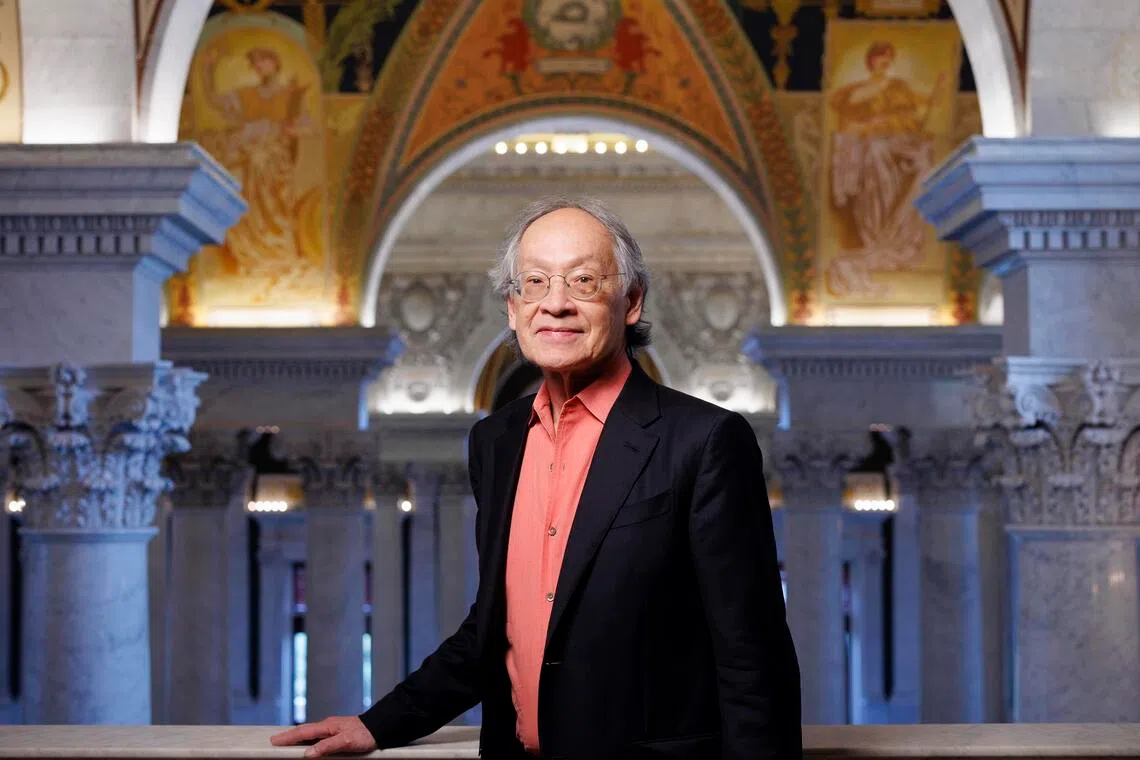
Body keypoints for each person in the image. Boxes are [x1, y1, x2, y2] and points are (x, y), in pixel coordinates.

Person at [270, 197, 801, 759]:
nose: (556, 304)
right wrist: (379, 724)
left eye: (584, 281)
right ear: (512, 306)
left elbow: (752, 659)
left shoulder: (705, 440)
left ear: (632, 301)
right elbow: (494, 629)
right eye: (535, 282)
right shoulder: (495, 442)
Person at [827, 40, 945, 296]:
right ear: (871, 62)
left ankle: (902, 233)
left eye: (889, 59)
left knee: (924, 158)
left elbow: (928, 100)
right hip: (877, 144)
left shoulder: (899, 86)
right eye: (881, 58)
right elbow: (844, 107)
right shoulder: (860, 90)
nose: (886, 63)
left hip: (904, 142)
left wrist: (936, 94)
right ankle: (877, 234)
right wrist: (875, 96)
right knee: (877, 153)